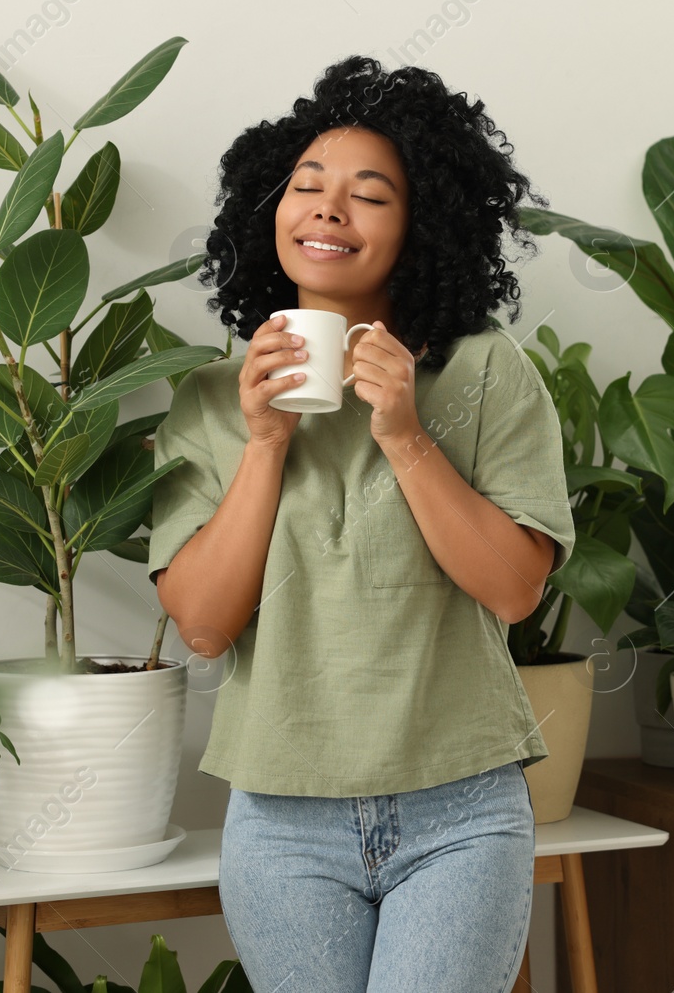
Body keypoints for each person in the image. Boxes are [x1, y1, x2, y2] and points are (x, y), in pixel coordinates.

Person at [146, 54, 577, 993]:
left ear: (422, 227)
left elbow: (514, 588)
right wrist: (264, 441)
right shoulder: (216, 399)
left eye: (369, 195)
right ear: (270, 210)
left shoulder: (487, 372)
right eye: (307, 186)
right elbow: (206, 624)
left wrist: (405, 434)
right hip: (283, 820)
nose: (328, 209)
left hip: (459, 809)